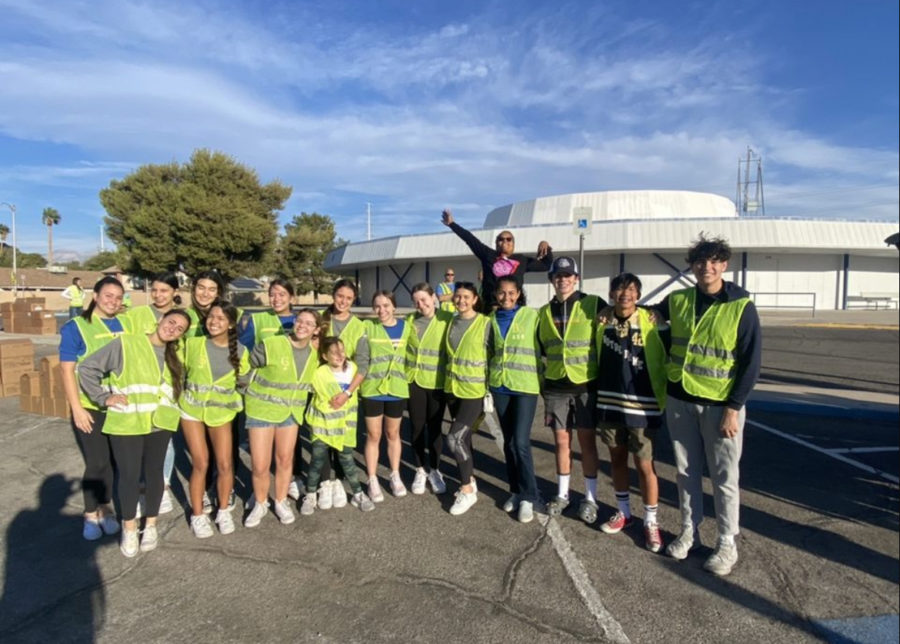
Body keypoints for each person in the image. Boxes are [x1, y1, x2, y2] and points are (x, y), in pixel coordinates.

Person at [654, 234, 761, 576]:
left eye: (714, 261)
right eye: (700, 262)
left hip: (720, 405)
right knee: (686, 472)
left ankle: (727, 541)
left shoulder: (740, 306)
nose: (706, 267)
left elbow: (751, 362)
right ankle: (690, 530)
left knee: (724, 477)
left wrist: (734, 407)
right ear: (693, 266)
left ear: (724, 265)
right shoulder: (679, 299)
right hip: (681, 398)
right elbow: (653, 322)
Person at [77, 309, 191, 557]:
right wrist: (103, 397)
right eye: (171, 322)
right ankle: (129, 527)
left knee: (154, 476)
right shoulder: (126, 343)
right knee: (128, 476)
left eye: (179, 328)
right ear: (160, 320)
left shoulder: (175, 357)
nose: (173, 328)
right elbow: (86, 368)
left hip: (159, 424)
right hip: (128, 423)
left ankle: (150, 525)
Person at [594, 273, 667, 552]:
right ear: (612, 294)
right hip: (610, 402)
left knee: (645, 465)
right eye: (620, 290)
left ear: (638, 295)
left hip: (643, 405)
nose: (625, 295)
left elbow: (668, 351)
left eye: (631, 290)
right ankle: (624, 512)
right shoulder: (602, 321)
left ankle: (651, 521)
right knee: (617, 460)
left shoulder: (651, 321)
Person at [537, 256, 605, 524]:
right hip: (556, 387)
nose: (562, 280)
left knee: (587, 442)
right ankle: (563, 494)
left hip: (585, 385)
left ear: (576, 278)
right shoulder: (543, 312)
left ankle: (590, 498)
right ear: (552, 280)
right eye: (558, 276)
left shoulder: (594, 305)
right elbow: (540, 349)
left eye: (567, 275)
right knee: (561, 442)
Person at [59, 276, 127, 542]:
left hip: (119, 405)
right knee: (96, 461)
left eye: (119, 297)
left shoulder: (124, 324)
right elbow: (67, 369)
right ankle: (90, 514)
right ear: (95, 296)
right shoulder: (76, 327)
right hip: (90, 406)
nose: (113, 301)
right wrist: (76, 408)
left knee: (112, 463)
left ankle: (105, 509)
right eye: (108, 295)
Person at [243, 308, 321, 527]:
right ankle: (260, 503)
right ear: (294, 321)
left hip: (290, 413)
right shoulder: (272, 344)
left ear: (316, 330)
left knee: (285, 460)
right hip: (262, 410)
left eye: (309, 323)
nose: (303, 326)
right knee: (260, 464)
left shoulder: (313, 356)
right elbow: (246, 368)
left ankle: (280, 500)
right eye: (300, 321)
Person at [180, 302, 249, 538]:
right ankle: (198, 515)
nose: (214, 321)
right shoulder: (192, 344)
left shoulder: (241, 351)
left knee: (225, 464)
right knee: (200, 463)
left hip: (221, 413)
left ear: (230, 324)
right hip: (192, 410)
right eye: (211, 317)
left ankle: (222, 510)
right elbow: (172, 368)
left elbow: (247, 380)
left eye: (220, 318)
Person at [124, 271, 183, 515]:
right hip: (141, 386)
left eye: (164, 291)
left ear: (174, 294)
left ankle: (163, 487)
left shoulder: (182, 318)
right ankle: (140, 490)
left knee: (164, 441)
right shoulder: (136, 315)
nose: (158, 295)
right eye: (155, 290)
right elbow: (127, 346)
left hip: (168, 387)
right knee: (138, 440)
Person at [488, 276, 542, 523]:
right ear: (496, 294)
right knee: (509, 442)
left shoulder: (532, 316)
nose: (506, 297)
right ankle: (515, 491)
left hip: (525, 387)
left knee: (520, 442)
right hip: (500, 386)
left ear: (518, 293)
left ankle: (530, 496)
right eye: (502, 293)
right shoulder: (490, 320)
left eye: (511, 293)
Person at [302, 337, 375, 514]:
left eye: (341, 350)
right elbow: (324, 397)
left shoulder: (353, 369)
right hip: (322, 424)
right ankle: (310, 495)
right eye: (333, 353)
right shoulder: (319, 373)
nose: (339, 355)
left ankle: (358, 493)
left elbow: (352, 392)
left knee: (347, 460)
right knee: (317, 460)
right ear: (325, 356)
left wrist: (345, 396)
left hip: (345, 426)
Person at [312, 279, 366, 505]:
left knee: (342, 439)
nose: (343, 301)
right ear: (333, 295)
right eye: (340, 296)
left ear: (353, 300)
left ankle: (339, 483)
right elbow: (312, 348)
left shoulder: (359, 326)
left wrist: (348, 393)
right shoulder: (322, 320)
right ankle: (325, 483)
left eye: (348, 298)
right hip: (323, 389)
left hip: (346, 392)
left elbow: (363, 364)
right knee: (323, 437)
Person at [356, 291, 412, 501]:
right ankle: (372, 478)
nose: (382, 310)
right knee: (373, 435)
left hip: (396, 389)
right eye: (377, 306)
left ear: (394, 307)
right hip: (373, 389)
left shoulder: (407, 327)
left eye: (386, 305)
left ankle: (395, 474)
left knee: (393, 434)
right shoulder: (367, 327)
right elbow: (361, 357)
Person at [441, 209, 553, 309]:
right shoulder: (488, 255)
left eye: (508, 239)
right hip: (490, 308)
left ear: (513, 244)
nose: (504, 241)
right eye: (501, 239)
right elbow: (470, 239)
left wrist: (546, 246)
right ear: (496, 243)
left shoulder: (521, 260)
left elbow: (545, 266)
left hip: (514, 309)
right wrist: (452, 224)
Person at [443, 282, 491, 516]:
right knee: (466, 439)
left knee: (455, 439)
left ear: (474, 299)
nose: (461, 300)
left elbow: (494, 354)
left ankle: (467, 489)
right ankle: (469, 479)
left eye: (466, 297)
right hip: (453, 389)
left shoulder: (485, 323)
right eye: (458, 296)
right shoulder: (451, 321)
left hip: (474, 391)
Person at [405, 283, 453, 495]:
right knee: (416, 427)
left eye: (424, 299)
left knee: (434, 429)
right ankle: (420, 469)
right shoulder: (409, 320)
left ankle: (434, 469)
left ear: (434, 297)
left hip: (436, 382)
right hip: (413, 381)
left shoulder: (446, 320)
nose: (421, 305)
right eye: (416, 301)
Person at [239, 278, 295, 351]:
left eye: (281, 295)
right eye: (272, 295)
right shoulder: (257, 320)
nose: (276, 299)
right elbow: (243, 349)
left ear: (291, 298)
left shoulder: (301, 321)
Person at [185, 270, 227, 338]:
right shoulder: (185, 316)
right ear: (194, 289)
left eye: (211, 290)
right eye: (201, 288)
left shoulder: (231, 314)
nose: (205, 294)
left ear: (218, 293)